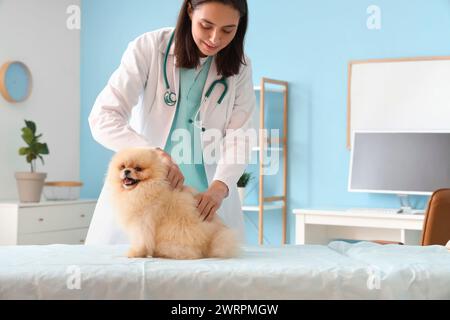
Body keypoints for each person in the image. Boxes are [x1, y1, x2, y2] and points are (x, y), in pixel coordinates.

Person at [85, 0, 256, 245]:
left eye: (228, 30)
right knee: (127, 275)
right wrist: (153, 156)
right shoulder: (149, 47)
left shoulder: (240, 68)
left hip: (202, 205)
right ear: (189, 10)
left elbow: (240, 136)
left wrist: (221, 187)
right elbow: (103, 117)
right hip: (143, 198)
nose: (215, 38)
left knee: (210, 277)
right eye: (206, 25)